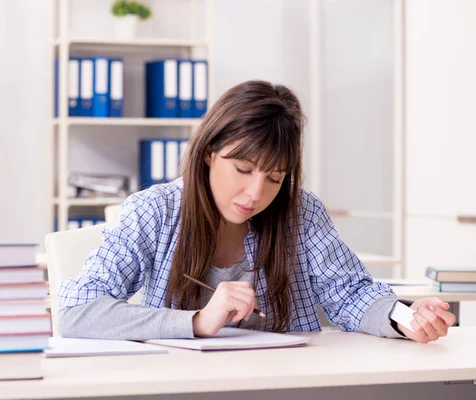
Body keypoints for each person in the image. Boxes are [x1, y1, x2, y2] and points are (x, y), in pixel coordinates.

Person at [57, 80, 455, 343]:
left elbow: (350, 294)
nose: (255, 193)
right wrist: (195, 322)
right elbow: (76, 312)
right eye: (243, 170)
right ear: (210, 153)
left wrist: (405, 318)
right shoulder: (153, 211)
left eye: (275, 177)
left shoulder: (300, 210)